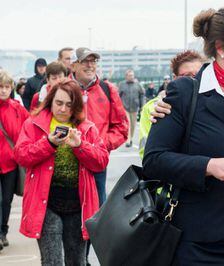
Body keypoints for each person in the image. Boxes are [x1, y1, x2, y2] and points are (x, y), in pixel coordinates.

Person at [143, 5, 224, 265]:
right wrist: (208, 165)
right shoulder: (185, 93)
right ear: (222, 48)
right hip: (199, 242)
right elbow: (154, 161)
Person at [14, 79, 109, 265]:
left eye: (69, 104)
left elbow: (101, 162)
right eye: (59, 103)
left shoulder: (87, 127)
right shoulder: (34, 124)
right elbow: (21, 155)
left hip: (78, 205)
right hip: (46, 204)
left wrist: (81, 145)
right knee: (52, 261)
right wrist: (48, 143)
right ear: (50, 101)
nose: (63, 109)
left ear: (76, 106)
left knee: (77, 261)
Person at [70, 47, 128, 265]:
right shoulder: (62, 89)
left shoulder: (107, 89)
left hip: (95, 164)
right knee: (68, 215)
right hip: (66, 161)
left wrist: (101, 146)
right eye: (85, 61)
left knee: (94, 217)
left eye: (93, 61)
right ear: (73, 65)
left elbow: (121, 127)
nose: (90, 65)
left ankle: (84, 259)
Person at [138, 50, 203, 159]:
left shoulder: (217, 101)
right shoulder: (154, 108)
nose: (194, 80)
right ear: (175, 77)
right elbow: (148, 152)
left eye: (198, 75)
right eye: (187, 76)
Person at [0, 71, 29, 249]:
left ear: (11, 88)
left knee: (6, 200)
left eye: (6, 87)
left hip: (10, 163)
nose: (3, 90)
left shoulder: (17, 108)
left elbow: (29, 128)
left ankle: (3, 231)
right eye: (0, 87)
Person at [118, 69, 144, 147]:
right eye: (129, 75)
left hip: (135, 108)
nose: (131, 77)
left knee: (133, 125)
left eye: (132, 75)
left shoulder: (138, 85)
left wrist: (142, 106)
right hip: (125, 107)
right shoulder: (122, 85)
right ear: (126, 76)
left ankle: (131, 138)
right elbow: (118, 96)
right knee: (128, 124)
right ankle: (128, 140)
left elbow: (142, 95)